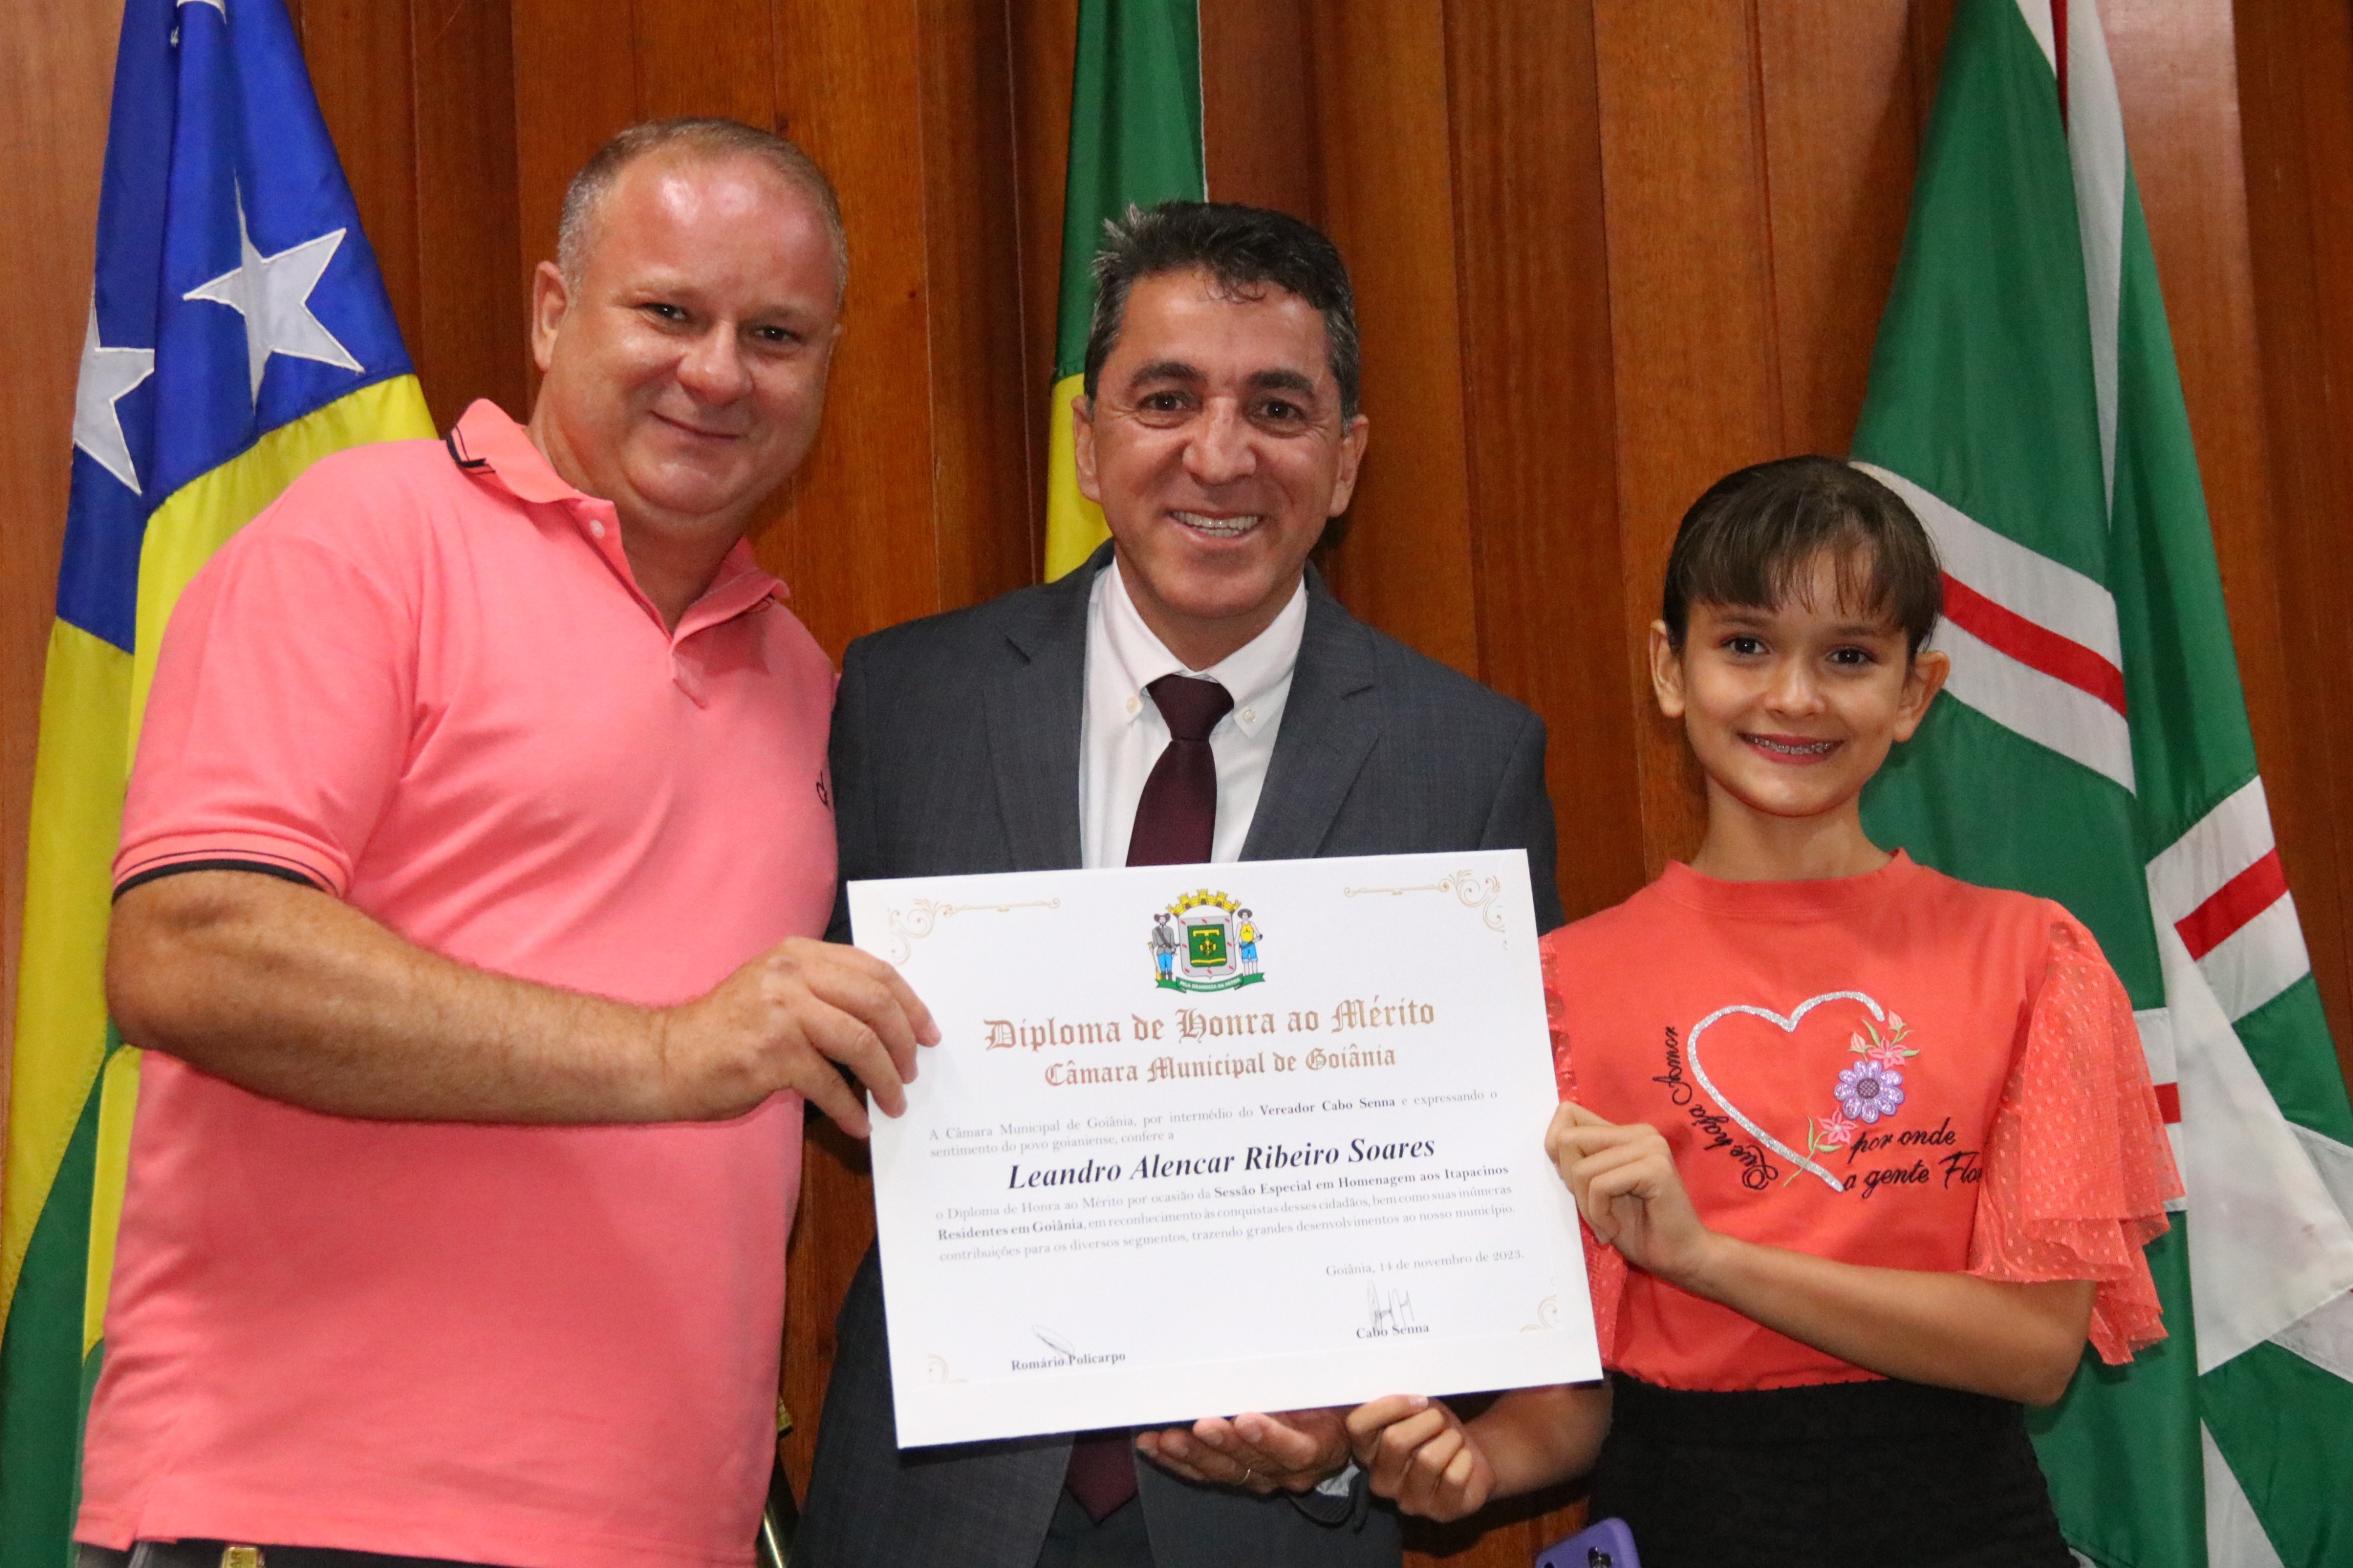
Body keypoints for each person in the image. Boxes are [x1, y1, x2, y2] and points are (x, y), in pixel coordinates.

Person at [77, 119, 935, 1568]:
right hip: (307, 1507)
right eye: (668, 311)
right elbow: (191, 949)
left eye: (776, 334)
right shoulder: (365, 538)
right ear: (551, 313)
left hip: (671, 1529)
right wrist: (669, 1051)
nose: (718, 371)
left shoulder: (809, 687)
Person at [794, 200, 1565, 1568]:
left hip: (1279, 1526)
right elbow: (822, 1074)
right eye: (1166, 399)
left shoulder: (1468, 759)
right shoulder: (905, 701)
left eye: (1278, 407)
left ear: (1345, 459)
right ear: (1088, 443)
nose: (1220, 454)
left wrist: (1350, 1415)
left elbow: (1491, 1177)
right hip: (937, 1503)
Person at [1344, 457, 2181, 1567]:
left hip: (1968, 1531)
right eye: (1746, 644)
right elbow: (1575, 1398)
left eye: (1849, 656)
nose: (1794, 696)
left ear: (1915, 692)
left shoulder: (2034, 959)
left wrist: (1706, 1257)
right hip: (1678, 1519)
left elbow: (2032, 1347)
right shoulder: (1556, 988)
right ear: (1671, 667)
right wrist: (1473, 1463)